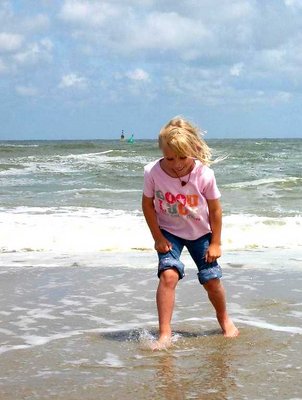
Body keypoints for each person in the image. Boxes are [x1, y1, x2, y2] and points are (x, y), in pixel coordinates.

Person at [142, 116, 239, 349]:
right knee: (168, 275)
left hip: (201, 233)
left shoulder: (204, 174)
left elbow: (215, 210)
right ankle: (165, 333)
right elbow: (147, 205)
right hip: (169, 232)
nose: (176, 164)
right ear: (162, 153)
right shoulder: (152, 172)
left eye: (183, 157)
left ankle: (224, 319)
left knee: (211, 279)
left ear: (194, 150)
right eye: (170, 158)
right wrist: (157, 237)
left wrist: (216, 242)